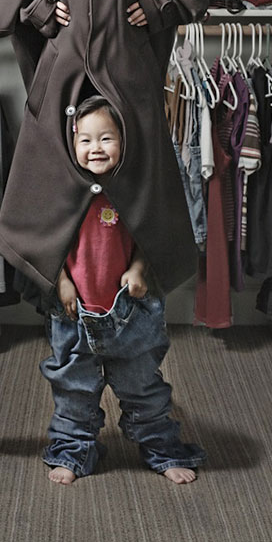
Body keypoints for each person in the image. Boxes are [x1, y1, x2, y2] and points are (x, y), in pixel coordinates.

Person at [0, 0, 209, 473]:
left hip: (131, 81)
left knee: (136, 189)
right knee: (55, 196)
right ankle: (67, 324)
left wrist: (157, 2)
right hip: (63, 83)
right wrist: (38, 2)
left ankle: (138, 318)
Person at [42, 95, 206, 484]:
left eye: (106, 138)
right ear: (72, 145)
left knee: (144, 388)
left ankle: (163, 451)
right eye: (85, 140)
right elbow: (48, 245)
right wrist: (62, 282)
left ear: (123, 141)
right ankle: (72, 451)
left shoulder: (133, 190)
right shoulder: (65, 193)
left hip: (130, 312)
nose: (95, 148)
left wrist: (137, 268)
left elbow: (153, 238)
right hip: (75, 314)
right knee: (73, 391)